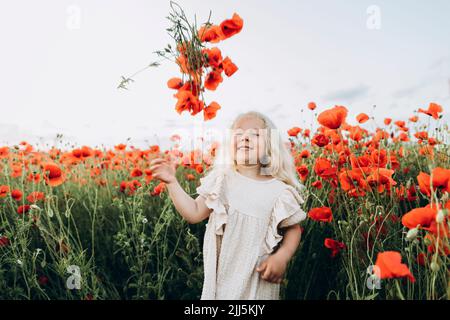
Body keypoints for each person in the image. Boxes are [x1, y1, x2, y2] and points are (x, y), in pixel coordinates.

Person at [150, 111, 308, 299]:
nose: (245, 138)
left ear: (270, 146)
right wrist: (172, 183)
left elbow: (293, 229)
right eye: (238, 134)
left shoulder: (279, 191)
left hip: (258, 284)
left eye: (255, 134)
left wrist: (282, 257)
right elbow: (193, 212)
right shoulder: (222, 181)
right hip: (222, 281)